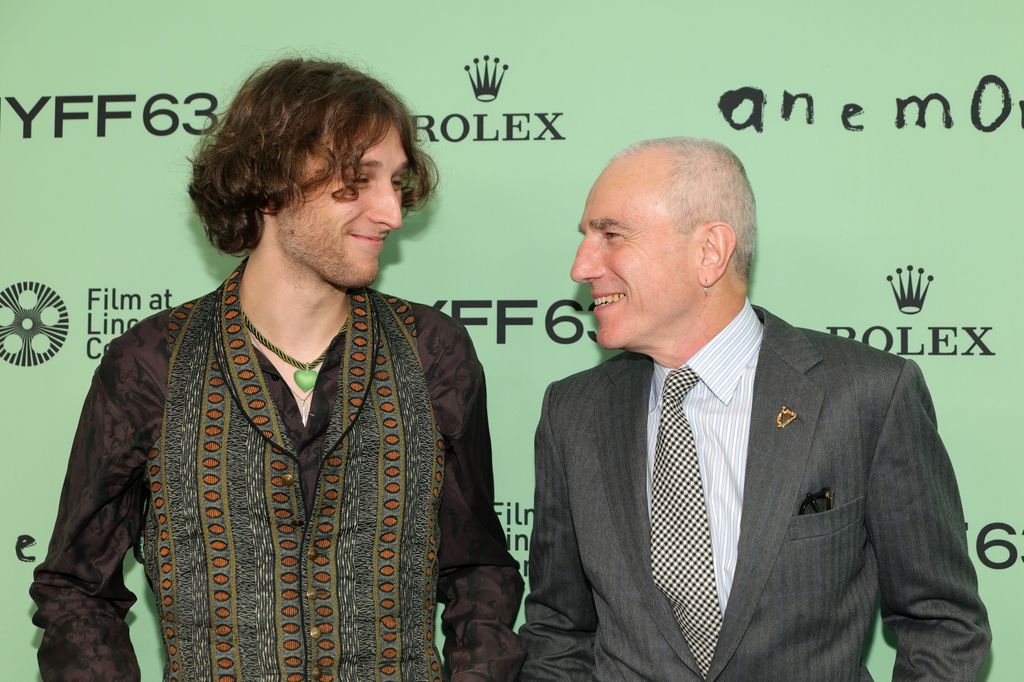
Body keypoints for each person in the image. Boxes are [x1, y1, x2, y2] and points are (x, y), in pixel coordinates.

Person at [31, 58, 525, 682]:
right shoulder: (149, 365)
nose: (392, 214)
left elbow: (478, 567)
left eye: (395, 183)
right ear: (268, 186)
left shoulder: (435, 354)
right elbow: (76, 586)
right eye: (356, 182)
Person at [519, 137, 990, 680]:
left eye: (610, 236)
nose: (581, 266)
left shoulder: (867, 395)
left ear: (710, 252)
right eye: (585, 238)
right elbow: (559, 629)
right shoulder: (573, 412)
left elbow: (942, 622)